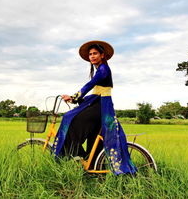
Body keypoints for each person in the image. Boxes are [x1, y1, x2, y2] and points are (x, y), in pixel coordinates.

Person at [52, 40, 137, 175]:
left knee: (70, 119)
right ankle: (91, 164)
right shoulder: (100, 69)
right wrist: (76, 100)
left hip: (101, 106)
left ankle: (77, 154)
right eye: (90, 54)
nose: (92, 56)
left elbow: (90, 84)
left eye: (95, 53)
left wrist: (74, 97)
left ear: (102, 55)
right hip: (99, 104)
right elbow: (95, 93)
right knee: (93, 137)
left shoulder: (103, 69)